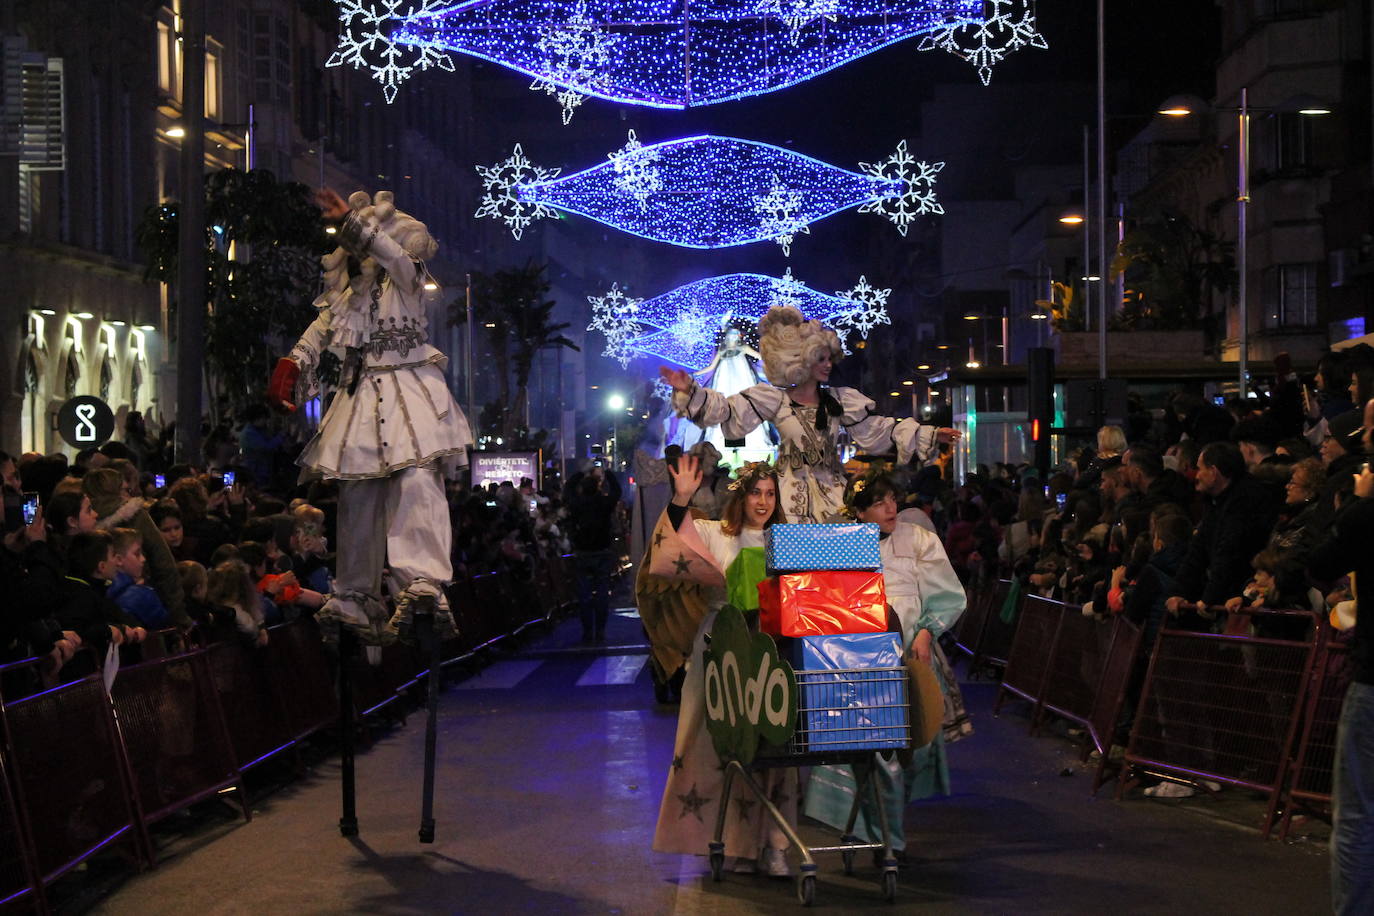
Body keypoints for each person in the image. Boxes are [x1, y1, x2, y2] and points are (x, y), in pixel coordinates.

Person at [267, 188, 473, 645]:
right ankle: (356, 594)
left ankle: (422, 581)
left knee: (416, 482)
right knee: (357, 496)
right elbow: (321, 329)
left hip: (411, 390)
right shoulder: (350, 296)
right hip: (361, 395)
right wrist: (294, 364)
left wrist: (352, 222)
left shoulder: (408, 278)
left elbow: (393, 255)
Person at [660, 305, 957, 524]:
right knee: (793, 573)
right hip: (788, 498)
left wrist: (928, 432)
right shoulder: (773, 399)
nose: (828, 365)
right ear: (800, 361)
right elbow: (726, 410)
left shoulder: (839, 401)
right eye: (820, 359)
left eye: (830, 358)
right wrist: (691, 390)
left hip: (835, 496)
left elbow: (879, 431)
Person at [803, 473, 968, 860]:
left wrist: (927, 633)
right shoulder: (840, 545)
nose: (891, 508)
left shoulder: (919, 540)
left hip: (911, 661)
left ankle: (883, 830)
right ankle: (887, 842)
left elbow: (947, 594)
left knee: (915, 750)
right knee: (877, 756)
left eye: (892, 499)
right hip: (861, 666)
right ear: (859, 513)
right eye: (879, 503)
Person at [651, 456, 797, 878]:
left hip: (773, 652)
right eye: (756, 492)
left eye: (771, 494)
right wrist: (681, 498)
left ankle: (775, 845)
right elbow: (672, 546)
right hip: (721, 651)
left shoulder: (789, 540)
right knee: (717, 748)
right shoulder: (718, 535)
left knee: (775, 748)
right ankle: (732, 843)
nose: (764, 502)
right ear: (741, 495)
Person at [1307, 398, 1374, 915]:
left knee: (1356, 815)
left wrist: (1357, 503)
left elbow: (1322, 559)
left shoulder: (1366, 509)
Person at [687, 325, 774, 463]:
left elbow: (759, 356)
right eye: (731, 335)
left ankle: (750, 441)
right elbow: (711, 367)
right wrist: (693, 374)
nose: (733, 338)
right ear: (727, 337)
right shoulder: (723, 351)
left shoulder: (743, 349)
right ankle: (720, 442)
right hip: (724, 381)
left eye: (736, 335)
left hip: (742, 381)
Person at [566, 467, 622, 642]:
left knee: (584, 594)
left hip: (583, 552)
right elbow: (617, 491)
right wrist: (608, 473)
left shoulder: (577, 503)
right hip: (602, 551)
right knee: (602, 592)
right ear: (598, 487)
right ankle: (600, 630)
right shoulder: (604, 503)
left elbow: (567, 489)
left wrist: (581, 471)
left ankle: (587, 630)